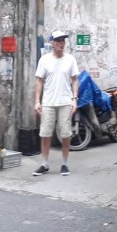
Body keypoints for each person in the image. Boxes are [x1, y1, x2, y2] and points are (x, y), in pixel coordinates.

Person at [33, 30, 79, 177]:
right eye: (58, 40)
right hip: (48, 102)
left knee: (66, 134)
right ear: (52, 43)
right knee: (45, 134)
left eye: (63, 40)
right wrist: (37, 101)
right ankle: (44, 164)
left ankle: (64, 164)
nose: (61, 43)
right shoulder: (44, 60)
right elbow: (39, 80)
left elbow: (75, 80)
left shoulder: (70, 59)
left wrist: (75, 99)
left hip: (65, 101)